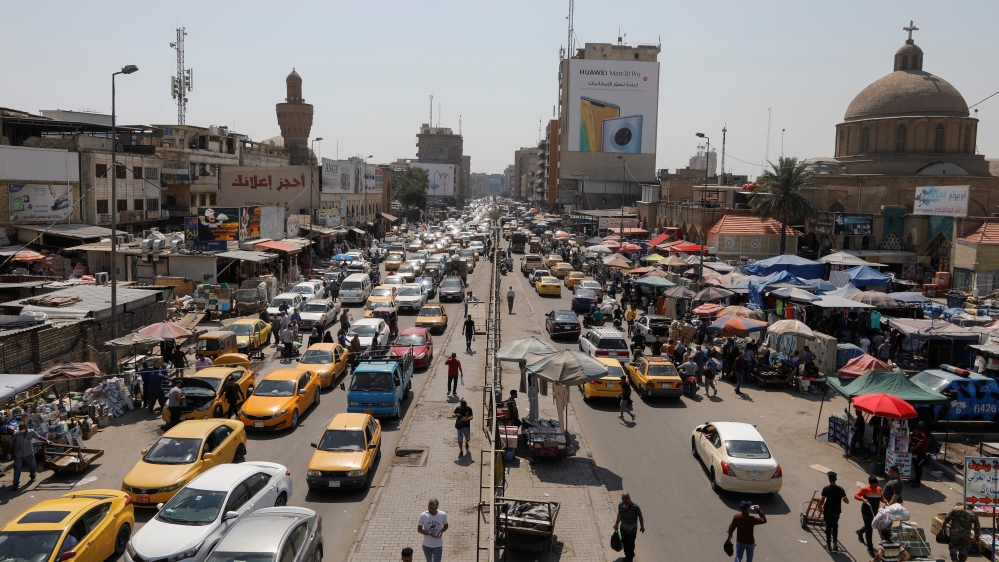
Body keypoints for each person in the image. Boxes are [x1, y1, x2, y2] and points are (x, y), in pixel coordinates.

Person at [10, 423, 50, 490]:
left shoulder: (31, 432)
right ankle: (15, 483)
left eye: (22, 428)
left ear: (25, 427)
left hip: (29, 453)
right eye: (19, 428)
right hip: (18, 454)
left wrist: (46, 440)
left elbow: (38, 437)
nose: (20, 430)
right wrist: (9, 453)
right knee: (17, 469)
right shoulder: (15, 434)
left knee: (32, 465)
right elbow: (10, 443)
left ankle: (33, 476)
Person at [820, 471, 849, 552]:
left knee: (828, 528)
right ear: (836, 479)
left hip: (828, 511)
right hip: (836, 512)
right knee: (835, 527)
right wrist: (843, 498)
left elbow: (822, 500)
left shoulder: (826, 489)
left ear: (829, 479)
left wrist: (819, 507)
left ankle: (828, 545)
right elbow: (847, 501)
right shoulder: (840, 489)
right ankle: (835, 545)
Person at [855, 475, 883, 557]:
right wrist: (863, 499)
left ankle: (860, 532)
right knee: (869, 530)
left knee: (871, 525)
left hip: (874, 511)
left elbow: (881, 497)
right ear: (869, 484)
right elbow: (856, 495)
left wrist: (884, 500)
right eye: (873, 484)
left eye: (876, 484)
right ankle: (870, 548)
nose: (874, 486)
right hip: (866, 511)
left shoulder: (879, 489)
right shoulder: (865, 489)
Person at [613, 492, 644, 562]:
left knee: (630, 543)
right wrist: (616, 524)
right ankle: (627, 555)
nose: (625, 500)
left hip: (632, 530)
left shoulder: (635, 507)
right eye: (623, 498)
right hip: (623, 528)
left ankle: (630, 556)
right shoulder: (620, 505)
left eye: (626, 498)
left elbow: (640, 517)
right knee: (625, 543)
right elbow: (619, 515)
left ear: (629, 498)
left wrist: (642, 527)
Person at [909, 421, 929, 487]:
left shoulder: (922, 436)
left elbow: (917, 445)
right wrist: (909, 447)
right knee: (915, 466)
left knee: (919, 467)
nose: (915, 433)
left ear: (918, 430)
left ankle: (918, 482)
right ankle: (916, 478)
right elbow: (912, 442)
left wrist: (910, 450)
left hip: (922, 455)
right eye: (913, 431)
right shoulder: (913, 435)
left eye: (916, 431)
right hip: (916, 453)